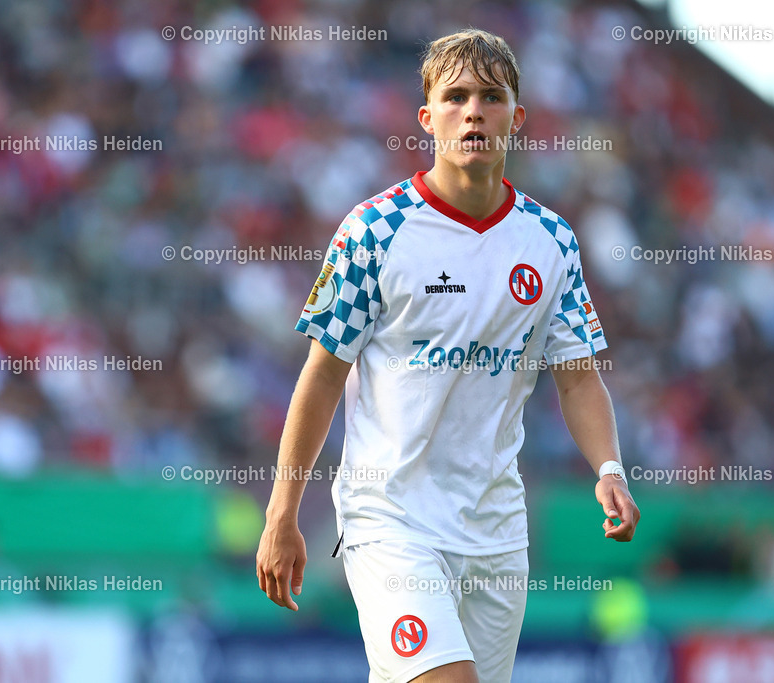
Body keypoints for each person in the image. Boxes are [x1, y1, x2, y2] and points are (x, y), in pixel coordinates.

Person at [256, 28, 640, 682]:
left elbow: (577, 379)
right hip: (391, 520)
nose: (473, 111)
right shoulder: (374, 231)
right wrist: (282, 512)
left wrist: (608, 465)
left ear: (515, 119)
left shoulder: (550, 241)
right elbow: (322, 377)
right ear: (427, 118)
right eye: (456, 96)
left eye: (491, 97)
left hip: (495, 531)